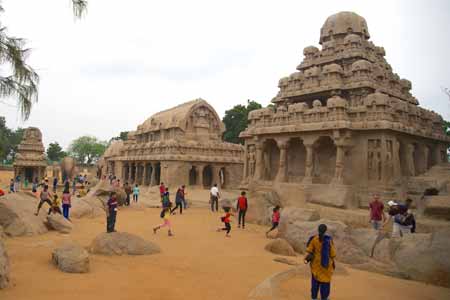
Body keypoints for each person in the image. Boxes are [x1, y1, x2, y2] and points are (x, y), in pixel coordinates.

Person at [305, 224, 336, 300]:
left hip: (315, 264)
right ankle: (324, 297)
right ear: (325, 231)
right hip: (326, 265)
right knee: (325, 281)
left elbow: (309, 250)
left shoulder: (314, 239)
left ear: (318, 230)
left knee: (315, 280)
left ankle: (314, 297)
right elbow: (333, 254)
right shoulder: (328, 240)